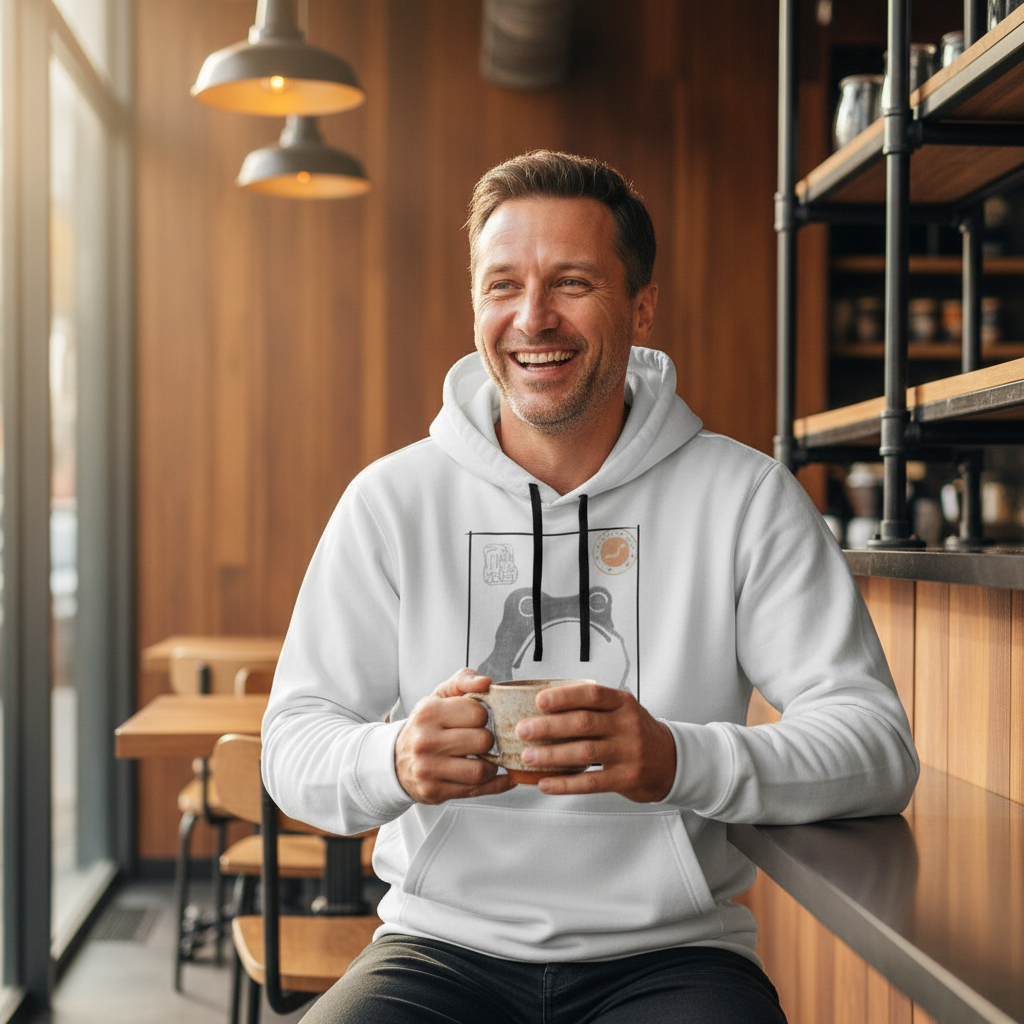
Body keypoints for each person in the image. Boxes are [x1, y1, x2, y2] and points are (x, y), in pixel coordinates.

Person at [261, 150, 919, 1023]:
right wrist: (394, 759)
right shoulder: (390, 501)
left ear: (641, 307)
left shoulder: (745, 496)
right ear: (475, 304)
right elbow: (291, 748)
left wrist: (679, 759)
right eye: (503, 285)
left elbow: (877, 750)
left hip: (675, 956)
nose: (533, 317)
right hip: (437, 949)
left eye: (571, 282)